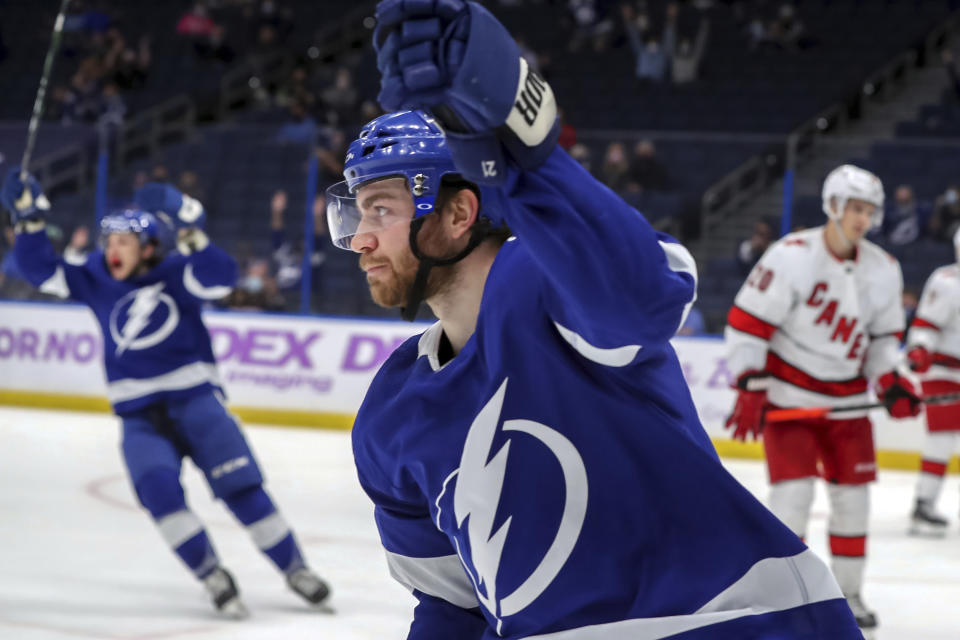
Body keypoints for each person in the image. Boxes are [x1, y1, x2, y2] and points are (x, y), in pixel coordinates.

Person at [325, 2, 863, 638]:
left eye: (380, 210)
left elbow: (646, 297)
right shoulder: (391, 413)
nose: (359, 238)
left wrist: (531, 155)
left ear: (459, 213)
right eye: (353, 214)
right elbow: (452, 607)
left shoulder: (549, 284)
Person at [0, 173, 330, 618]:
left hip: (196, 402)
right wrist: (31, 222)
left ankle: (294, 569)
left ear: (151, 247)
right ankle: (212, 573)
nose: (112, 250)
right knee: (157, 492)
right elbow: (39, 270)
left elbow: (221, 276)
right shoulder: (96, 276)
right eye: (109, 241)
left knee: (242, 489)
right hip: (138, 415)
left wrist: (192, 229)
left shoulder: (177, 272)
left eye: (124, 242)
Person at [725, 164, 922, 634]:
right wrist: (750, 381)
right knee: (791, 499)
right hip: (792, 398)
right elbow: (748, 324)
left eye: (869, 210)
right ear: (833, 206)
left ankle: (849, 593)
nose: (863, 218)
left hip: (848, 405)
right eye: (855, 207)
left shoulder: (884, 269)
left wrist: (892, 383)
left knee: (853, 503)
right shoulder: (790, 256)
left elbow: (880, 346)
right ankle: (783, 595)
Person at [904, 227, 960, 536]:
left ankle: (924, 501)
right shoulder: (947, 282)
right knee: (942, 437)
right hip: (943, 371)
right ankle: (924, 502)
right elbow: (926, 324)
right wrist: (920, 349)